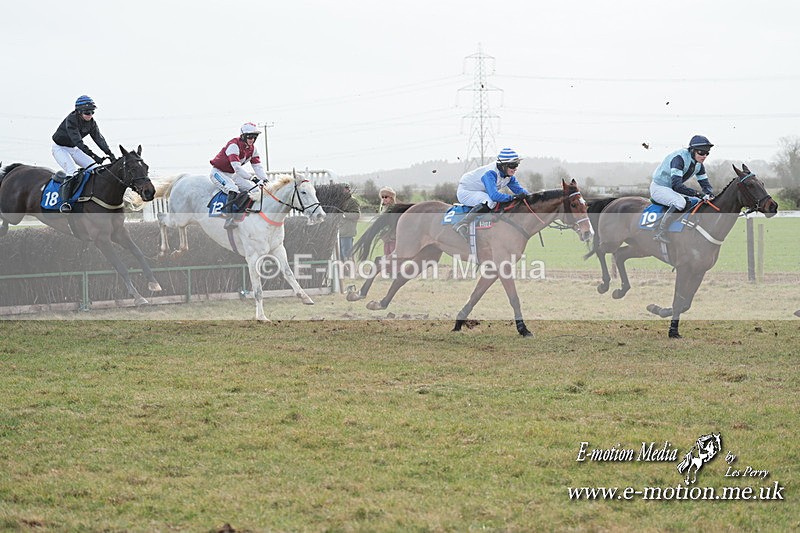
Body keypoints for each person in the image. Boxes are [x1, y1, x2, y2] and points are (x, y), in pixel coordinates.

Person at [51, 95, 117, 211]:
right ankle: (65, 203)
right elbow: (79, 142)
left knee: (95, 169)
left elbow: (99, 139)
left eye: (92, 112)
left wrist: (110, 154)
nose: (90, 115)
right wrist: (94, 155)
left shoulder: (91, 122)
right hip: (60, 148)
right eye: (87, 112)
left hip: (73, 149)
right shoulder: (71, 120)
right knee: (72, 171)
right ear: (79, 112)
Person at [452, 148, 529, 239]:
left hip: (480, 191)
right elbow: (494, 196)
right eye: (513, 165)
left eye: (517, 165)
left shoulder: (508, 176)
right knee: (490, 202)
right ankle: (462, 224)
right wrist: (514, 197)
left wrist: (538, 198)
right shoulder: (490, 173)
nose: (515, 169)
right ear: (503, 165)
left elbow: (522, 192)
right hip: (466, 191)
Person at [650, 135, 715, 243]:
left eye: (707, 153)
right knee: (680, 202)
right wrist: (698, 194)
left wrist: (709, 193)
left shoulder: (699, 165)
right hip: (659, 187)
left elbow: (705, 184)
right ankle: (661, 232)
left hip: (671, 189)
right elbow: (677, 186)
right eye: (701, 153)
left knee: (700, 202)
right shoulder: (679, 159)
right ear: (692, 150)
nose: (704, 156)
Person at [209, 122, 269, 229]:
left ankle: (247, 215)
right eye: (249, 136)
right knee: (233, 189)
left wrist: (264, 179)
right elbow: (237, 167)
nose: (252, 139)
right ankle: (229, 219)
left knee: (254, 190)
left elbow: (257, 166)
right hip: (218, 172)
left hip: (232, 174)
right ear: (243, 136)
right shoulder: (233, 145)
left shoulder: (253, 149)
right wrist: (253, 178)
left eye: (254, 136)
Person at [339, 183, 361, 261]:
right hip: (340, 233)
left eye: (345, 189)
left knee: (347, 254)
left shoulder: (353, 201)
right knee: (340, 255)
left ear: (348, 190)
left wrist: (344, 214)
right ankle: (344, 271)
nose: (343, 191)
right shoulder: (339, 201)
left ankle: (351, 270)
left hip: (347, 232)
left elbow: (357, 215)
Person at [378, 186, 397, 255]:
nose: (384, 199)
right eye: (382, 197)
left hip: (393, 237)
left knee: (393, 254)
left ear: (391, 197)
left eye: (386, 197)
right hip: (386, 237)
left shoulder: (395, 209)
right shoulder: (383, 208)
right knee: (386, 253)